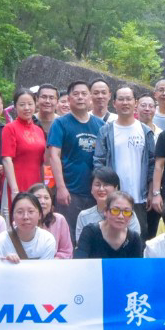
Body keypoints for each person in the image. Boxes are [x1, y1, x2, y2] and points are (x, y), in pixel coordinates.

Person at [46, 81, 104, 229]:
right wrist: (61, 188)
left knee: (94, 232)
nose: (80, 97)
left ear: (90, 98)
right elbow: (54, 156)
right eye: (76, 94)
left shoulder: (101, 125)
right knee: (68, 233)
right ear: (69, 99)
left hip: (95, 191)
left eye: (84, 94)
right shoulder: (60, 123)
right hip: (70, 190)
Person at [98, 87, 154, 212]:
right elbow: (99, 162)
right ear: (114, 103)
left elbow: (152, 163)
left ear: (135, 102)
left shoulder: (145, 131)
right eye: (121, 99)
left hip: (140, 197)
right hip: (113, 197)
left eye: (129, 99)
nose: (125, 102)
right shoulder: (106, 131)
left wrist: (151, 192)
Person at [0, 191, 61, 262]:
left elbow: (44, 269)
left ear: (40, 215)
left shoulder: (47, 240)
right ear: (12, 216)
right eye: (20, 212)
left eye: (31, 211)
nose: (25, 217)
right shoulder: (0, 241)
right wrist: (5, 264)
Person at [76, 191, 143, 259]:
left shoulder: (134, 238)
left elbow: (137, 265)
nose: (121, 216)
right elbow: (79, 262)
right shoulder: (90, 232)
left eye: (126, 212)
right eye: (115, 210)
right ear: (105, 211)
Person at [29, 183, 76, 259]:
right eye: (38, 197)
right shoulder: (21, 221)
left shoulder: (59, 220)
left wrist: (52, 262)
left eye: (46, 198)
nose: (43, 201)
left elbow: (66, 251)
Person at [76, 167, 122, 237]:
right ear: (91, 189)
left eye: (106, 185)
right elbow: (81, 242)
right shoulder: (83, 216)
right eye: (97, 185)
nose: (101, 189)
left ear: (116, 188)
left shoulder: (126, 214)